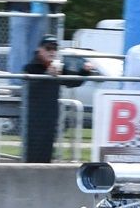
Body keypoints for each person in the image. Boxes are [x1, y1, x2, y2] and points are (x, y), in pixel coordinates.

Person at [21, 35, 91, 163]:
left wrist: (84, 71)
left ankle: (44, 174)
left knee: (47, 150)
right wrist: (47, 74)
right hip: (33, 117)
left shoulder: (57, 67)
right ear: (40, 50)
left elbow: (72, 82)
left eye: (54, 49)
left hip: (50, 115)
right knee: (33, 152)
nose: (52, 52)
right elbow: (31, 86)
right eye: (48, 48)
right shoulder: (30, 67)